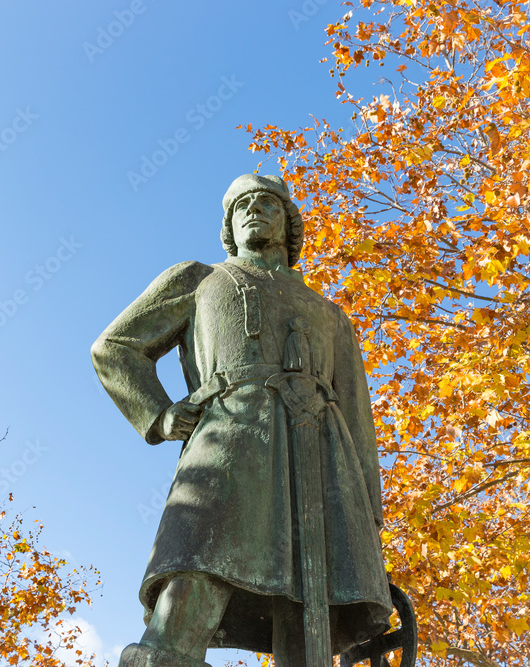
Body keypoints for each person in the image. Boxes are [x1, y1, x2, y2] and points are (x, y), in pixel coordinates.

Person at [91, 174, 390, 667]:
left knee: (307, 613)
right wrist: (160, 414)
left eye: (267, 204)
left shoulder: (331, 315)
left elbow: (357, 416)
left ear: (288, 225)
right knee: (194, 570)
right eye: (242, 205)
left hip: (322, 459)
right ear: (229, 224)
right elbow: (116, 347)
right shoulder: (198, 279)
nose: (254, 210)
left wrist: (368, 512)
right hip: (231, 439)